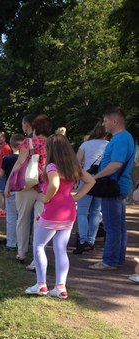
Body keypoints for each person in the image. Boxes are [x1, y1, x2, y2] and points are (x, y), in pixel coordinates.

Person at [25, 134, 95, 298]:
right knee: (60, 249)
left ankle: (41, 284)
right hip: (69, 211)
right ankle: (60, 287)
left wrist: (47, 198)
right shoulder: (73, 166)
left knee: (39, 246)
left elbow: (54, 184)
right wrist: (76, 197)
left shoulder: (51, 166)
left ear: (51, 149)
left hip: (53, 211)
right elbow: (91, 181)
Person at [89, 106, 136, 270]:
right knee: (118, 226)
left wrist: (95, 177)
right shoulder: (126, 137)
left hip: (112, 187)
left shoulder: (121, 139)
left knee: (111, 226)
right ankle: (117, 258)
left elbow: (115, 164)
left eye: (106, 120)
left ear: (115, 121)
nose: (104, 124)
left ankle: (109, 261)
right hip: (119, 186)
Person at [5, 114, 51, 266]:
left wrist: (8, 184)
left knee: (23, 219)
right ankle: (37, 258)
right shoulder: (52, 143)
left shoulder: (28, 142)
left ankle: (22, 252)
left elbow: (19, 163)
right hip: (45, 185)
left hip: (27, 185)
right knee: (40, 222)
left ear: (32, 126)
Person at [74, 122, 109, 254]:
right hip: (101, 179)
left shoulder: (85, 145)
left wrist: (80, 174)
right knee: (95, 212)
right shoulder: (109, 145)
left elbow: (77, 162)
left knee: (82, 212)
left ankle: (82, 240)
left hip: (87, 179)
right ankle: (91, 241)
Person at [0, 133, 24, 251]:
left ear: (12, 145)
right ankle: (22, 242)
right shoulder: (26, 158)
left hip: (11, 189)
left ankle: (11, 242)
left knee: (11, 217)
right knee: (23, 218)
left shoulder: (7, 159)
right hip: (24, 190)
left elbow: (2, 175)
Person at [0, 132, 12, 217]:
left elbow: (6, 162)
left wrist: (1, 173)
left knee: (1, 192)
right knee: (0, 192)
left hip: (2, 174)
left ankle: (4, 210)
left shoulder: (6, 148)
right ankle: (3, 209)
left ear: (4, 138)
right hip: (0, 173)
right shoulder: (1, 148)